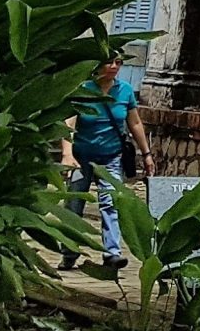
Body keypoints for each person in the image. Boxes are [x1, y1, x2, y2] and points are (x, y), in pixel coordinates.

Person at [61, 49, 151, 274]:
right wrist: (67, 154)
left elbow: (135, 123)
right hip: (81, 158)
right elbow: (68, 124)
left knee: (111, 202)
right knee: (74, 204)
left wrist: (146, 153)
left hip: (111, 157)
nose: (114, 66)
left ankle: (112, 253)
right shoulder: (83, 89)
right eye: (109, 62)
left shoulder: (125, 91)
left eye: (118, 62)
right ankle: (69, 253)